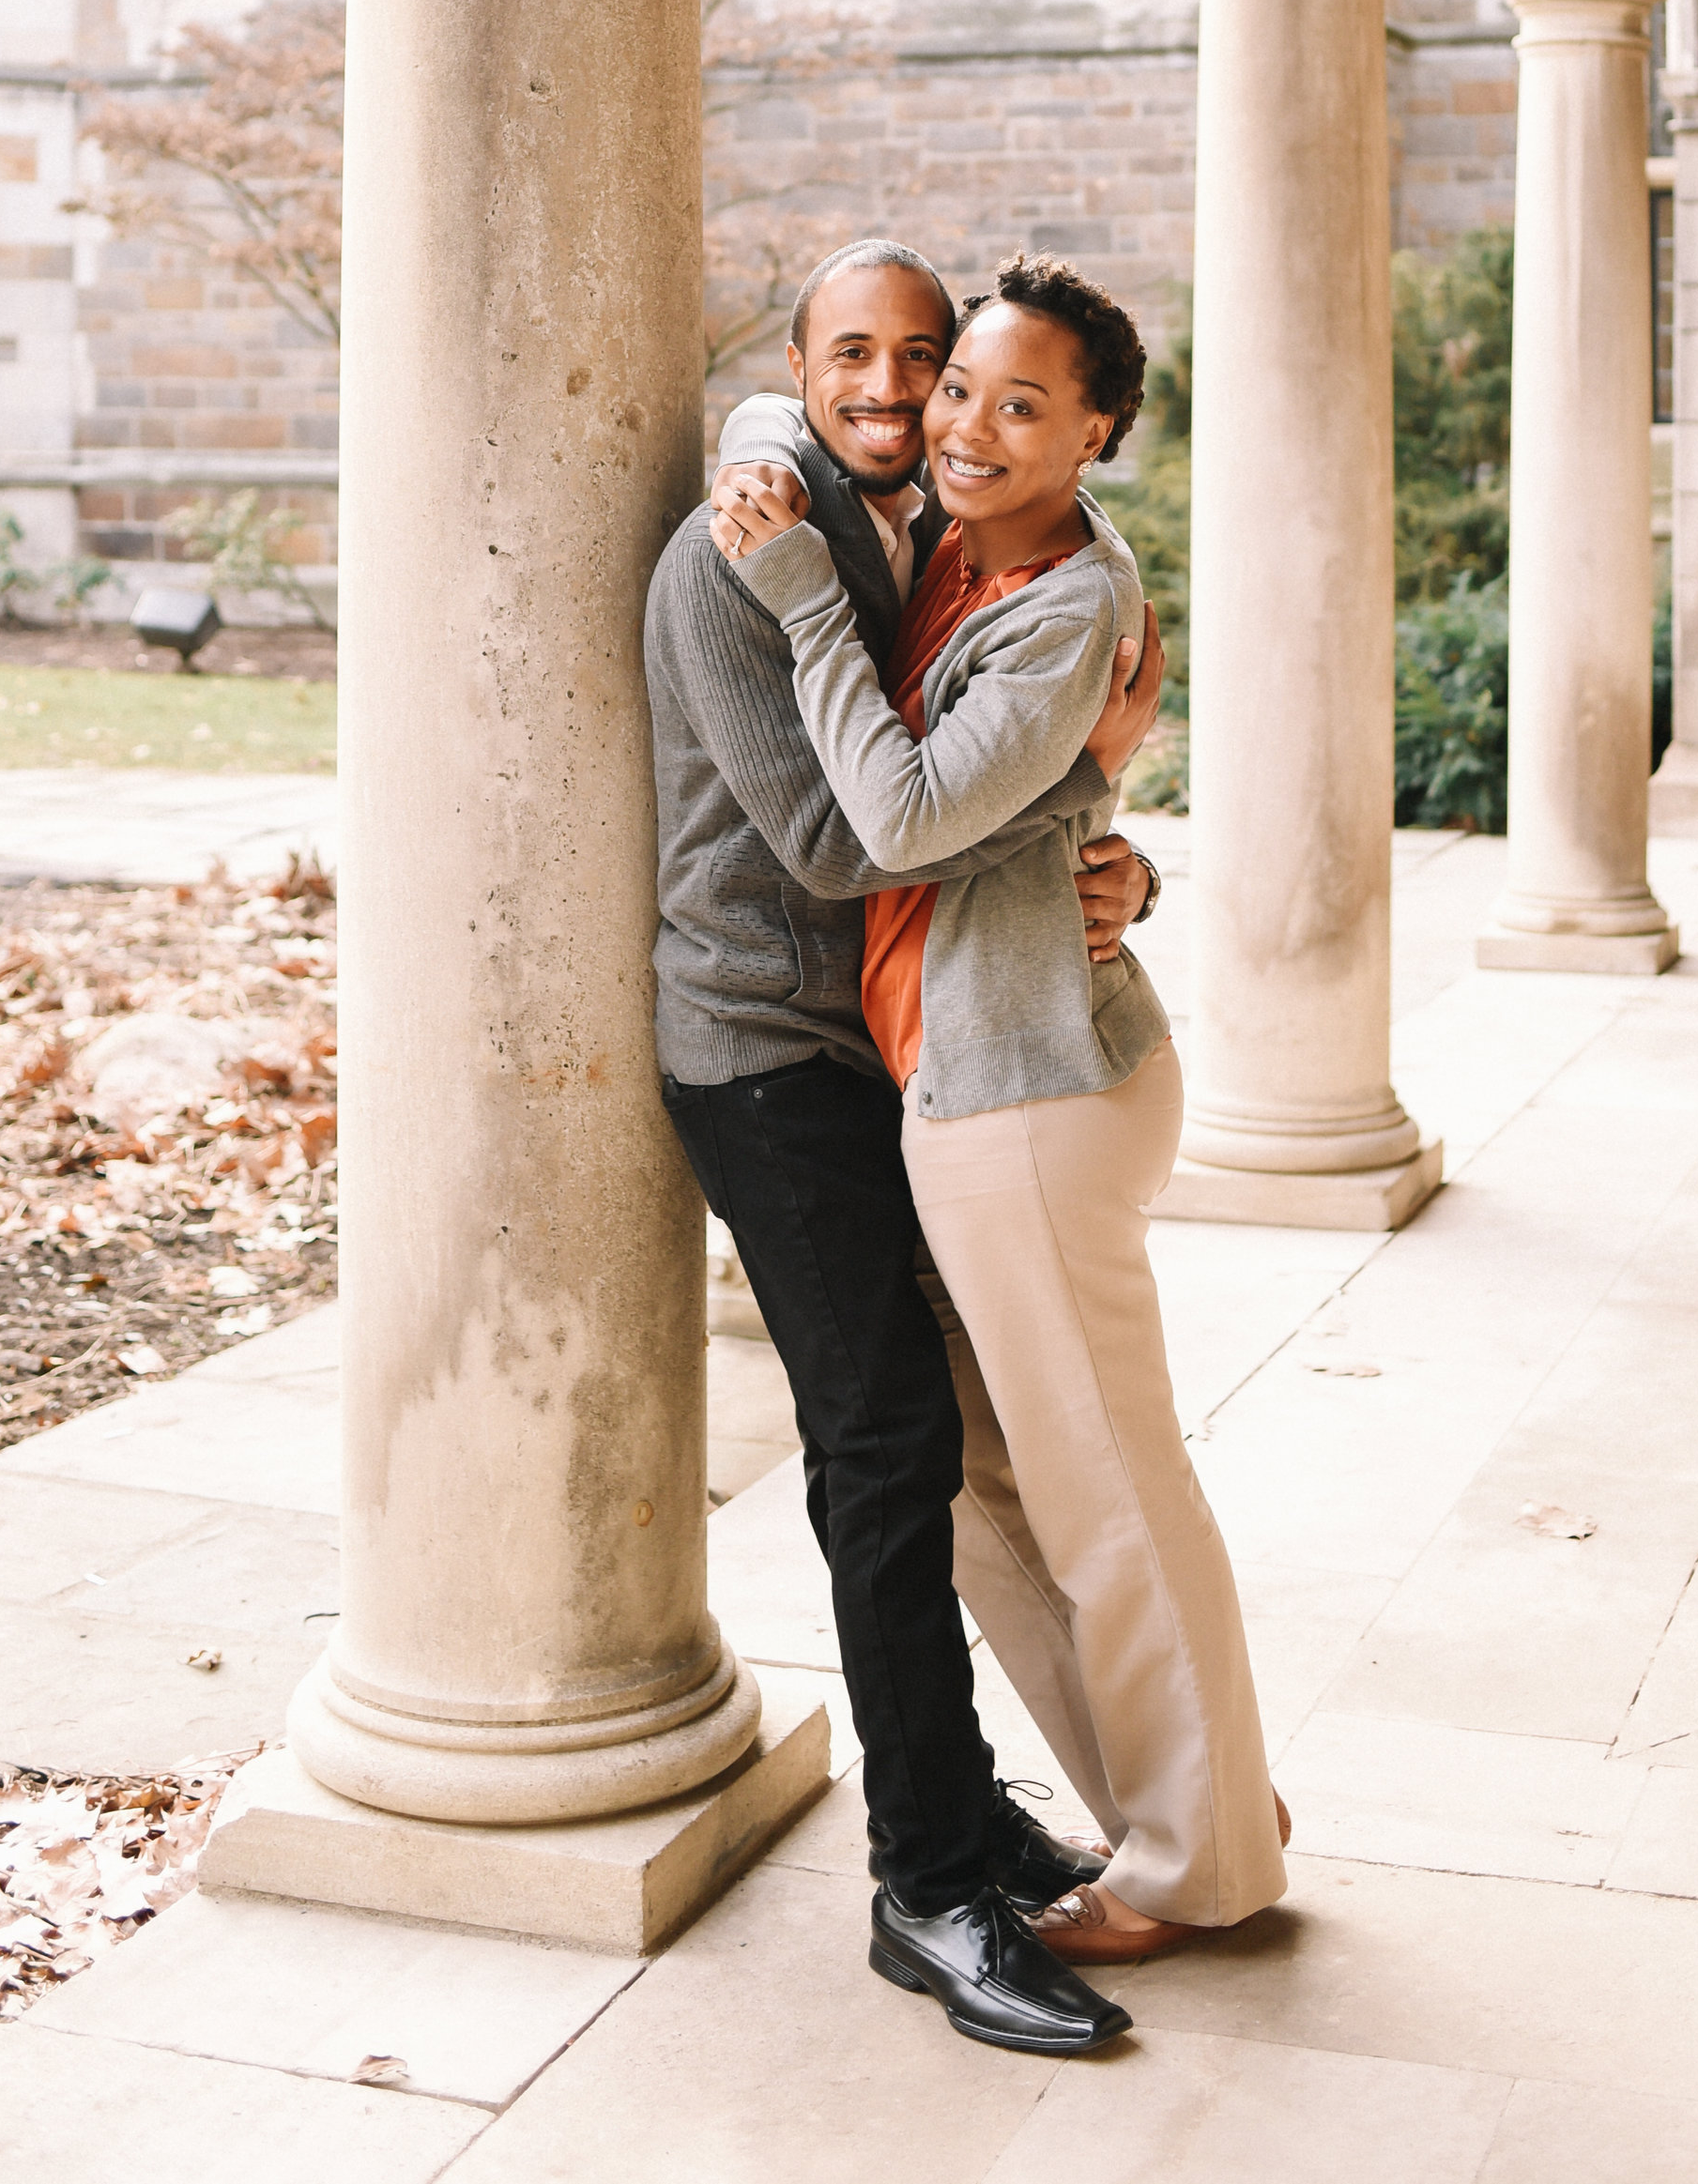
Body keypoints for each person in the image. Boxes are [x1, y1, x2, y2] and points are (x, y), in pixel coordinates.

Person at [711, 254, 1287, 1968]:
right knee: (982, 1478)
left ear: (1095, 433)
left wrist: (805, 595)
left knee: (1107, 1491)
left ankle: (1197, 1867)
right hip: (976, 1076)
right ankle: (1208, 1797)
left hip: (1033, 1103)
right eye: (959, 382)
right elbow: (795, 413)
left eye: (1016, 403)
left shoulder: (1060, 602)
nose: (960, 420)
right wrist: (1097, 842)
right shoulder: (977, 530)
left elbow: (891, 817)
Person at [644, 237, 1163, 2059]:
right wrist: (1048, 817)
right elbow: (842, 846)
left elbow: (995, 743)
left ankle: (972, 1813)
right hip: (763, 1057)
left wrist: (1106, 850)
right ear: (792, 366)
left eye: (923, 358)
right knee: (881, 1451)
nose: (895, 387)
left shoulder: (909, 538)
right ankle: (922, 1884)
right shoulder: (740, 556)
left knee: (950, 1449)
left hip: (891, 1048)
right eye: (850, 355)